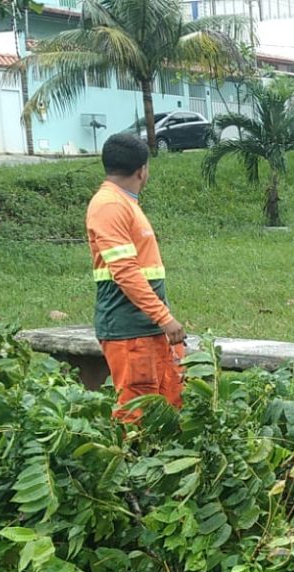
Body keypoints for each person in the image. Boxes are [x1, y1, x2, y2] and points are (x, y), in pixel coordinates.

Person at [85, 132, 185, 420]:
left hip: (148, 328)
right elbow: (125, 272)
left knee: (169, 410)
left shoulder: (123, 203)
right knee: (137, 418)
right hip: (130, 332)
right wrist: (164, 317)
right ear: (142, 170)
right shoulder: (110, 205)